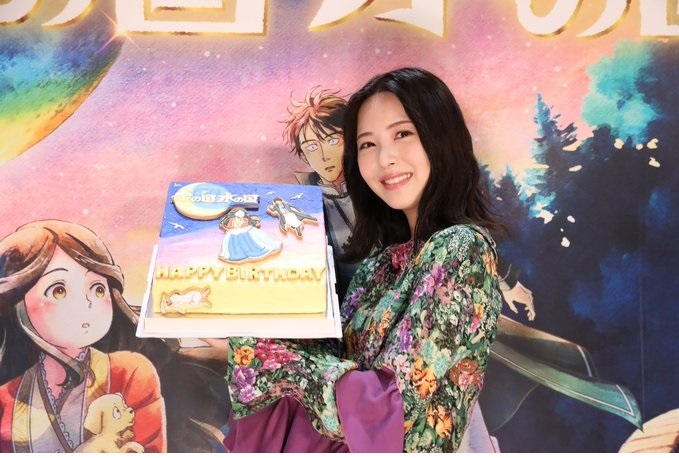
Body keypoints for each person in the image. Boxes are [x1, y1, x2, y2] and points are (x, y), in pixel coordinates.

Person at [223, 67, 505, 452]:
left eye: (402, 134)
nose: (385, 159)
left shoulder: (461, 248)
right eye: (368, 144)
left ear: (441, 136)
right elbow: (339, 358)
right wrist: (246, 320)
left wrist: (274, 362)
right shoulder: (378, 266)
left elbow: (395, 406)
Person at [0, 220, 166, 452]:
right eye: (59, 290)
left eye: (98, 289)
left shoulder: (130, 373)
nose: (87, 304)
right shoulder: (5, 399)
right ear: (18, 303)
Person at [283, 87, 357, 299]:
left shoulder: (375, 186)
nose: (324, 155)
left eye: (333, 141)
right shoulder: (302, 201)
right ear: (303, 156)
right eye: (312, 147)